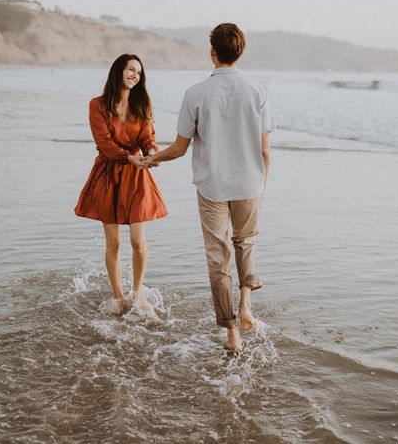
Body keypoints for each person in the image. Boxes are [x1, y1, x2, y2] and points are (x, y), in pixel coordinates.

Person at [142, 23, 274, 352]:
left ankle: (231, 333)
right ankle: (245, 307)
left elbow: (179, 148)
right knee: (246, 243)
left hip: (212, 185)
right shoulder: (258, 90)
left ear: (212, 52)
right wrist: (260, 184)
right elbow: (266, 150)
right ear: (240, 52)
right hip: (249, 184)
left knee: (218, 259)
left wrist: (150, 160)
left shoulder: (196, 93)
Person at [74, 54, 167, 314]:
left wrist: (151, 152)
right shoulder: (97, 105)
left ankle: (138, 294)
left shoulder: (142, 104)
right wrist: (129, 157)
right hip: (109, 174)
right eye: (131, 69)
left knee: (138, 242)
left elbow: (148, 137)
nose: (135, 75)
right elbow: (103, 143)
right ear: (118, 72)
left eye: (139, 72)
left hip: (137, 175)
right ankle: (118, 297)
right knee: (113, 242)